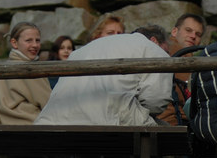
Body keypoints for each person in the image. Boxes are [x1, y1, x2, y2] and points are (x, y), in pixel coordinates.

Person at [35, 30, 172, 125]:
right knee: (165, 139)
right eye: (167, 50)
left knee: (87, 150)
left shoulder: (84, 49)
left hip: (53, 119)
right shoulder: (155, 50)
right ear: (155, 41)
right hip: (108, 119)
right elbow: (156, 101)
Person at [0, 22, 52, 124]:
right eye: (29, 41)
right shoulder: (31, 69)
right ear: (14, 43)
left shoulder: (0, 69)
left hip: (2, 126)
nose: (35, 45)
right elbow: (49, 103)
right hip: (32, 125)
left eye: (37, 40)